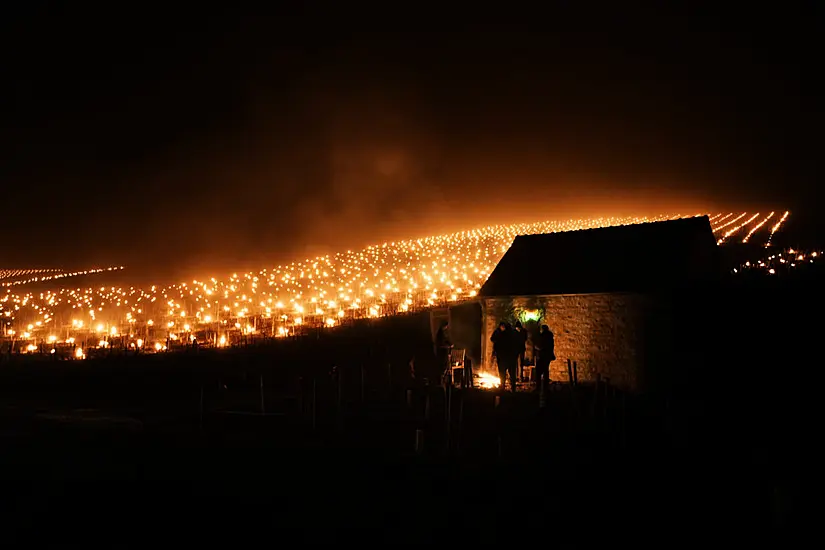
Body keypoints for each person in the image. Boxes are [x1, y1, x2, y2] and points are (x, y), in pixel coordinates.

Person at [491, 321, 518, 393]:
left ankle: (503, 387)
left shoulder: (501, 334)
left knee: (503, 372)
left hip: (503, 356)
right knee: (511, 373)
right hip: (510, 356)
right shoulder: (514, 333)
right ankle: (512, 388)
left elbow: (495, 341)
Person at [534, 325, 555, 393]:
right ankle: (545, 387)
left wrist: (537, 347)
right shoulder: (550, 336)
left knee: (538, 371)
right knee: (546, 370)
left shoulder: (544, 336)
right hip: (547, 356)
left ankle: (539, 387)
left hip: (543, 356)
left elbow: (541, 346)